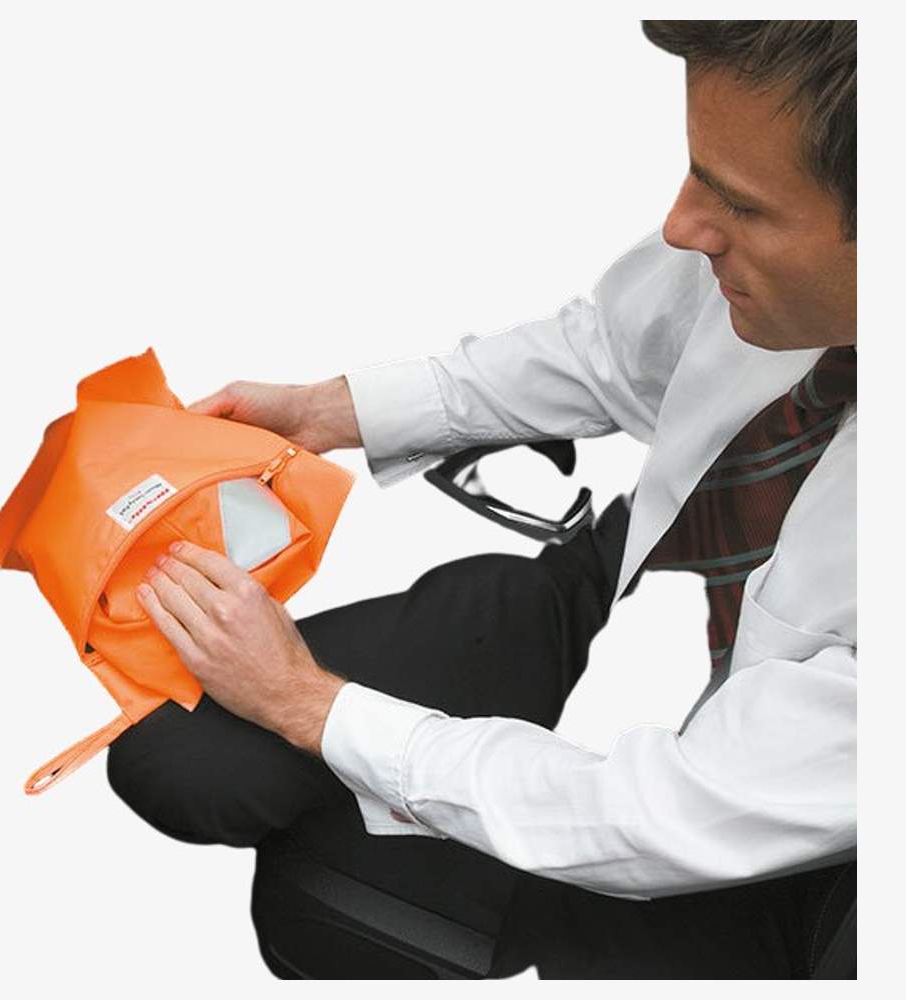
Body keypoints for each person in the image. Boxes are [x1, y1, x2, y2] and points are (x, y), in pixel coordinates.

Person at [107, 21, 856, 978]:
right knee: (178, 760)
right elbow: (609, 351)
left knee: (314, 893)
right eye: (698, 174)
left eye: (741, 206)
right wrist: (331, 411)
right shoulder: (756, 249)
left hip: (725, 798)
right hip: (646, 579)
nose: (681, 226)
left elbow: (668, 810)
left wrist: (306, 703)